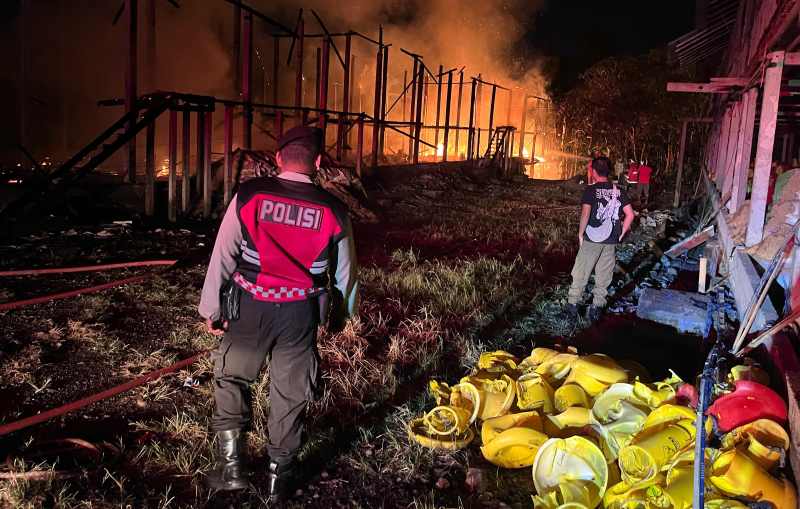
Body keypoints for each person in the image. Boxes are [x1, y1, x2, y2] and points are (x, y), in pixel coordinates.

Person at [198, 126, 358, 501]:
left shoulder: (249, 195)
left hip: (248, 308)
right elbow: (346, 274)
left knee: (232, 378)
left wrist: (210, 308)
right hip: (299, 315)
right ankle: (277, 479)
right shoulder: (335, 210)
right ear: (318, 163)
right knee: (290, 393)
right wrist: (344, 315)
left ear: (278, 159)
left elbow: (223, 255)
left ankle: (231, 467)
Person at [566, 157, 635, 321]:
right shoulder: (619, 190)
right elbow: (630, 214)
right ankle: (596, 307)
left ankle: (572, 306)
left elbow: (585, 214)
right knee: (604, 276)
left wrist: (580, 234)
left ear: (594, 172)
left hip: (592, 238)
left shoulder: (591, 190)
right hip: (611, 240)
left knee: (581, 272)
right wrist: (621, 232)